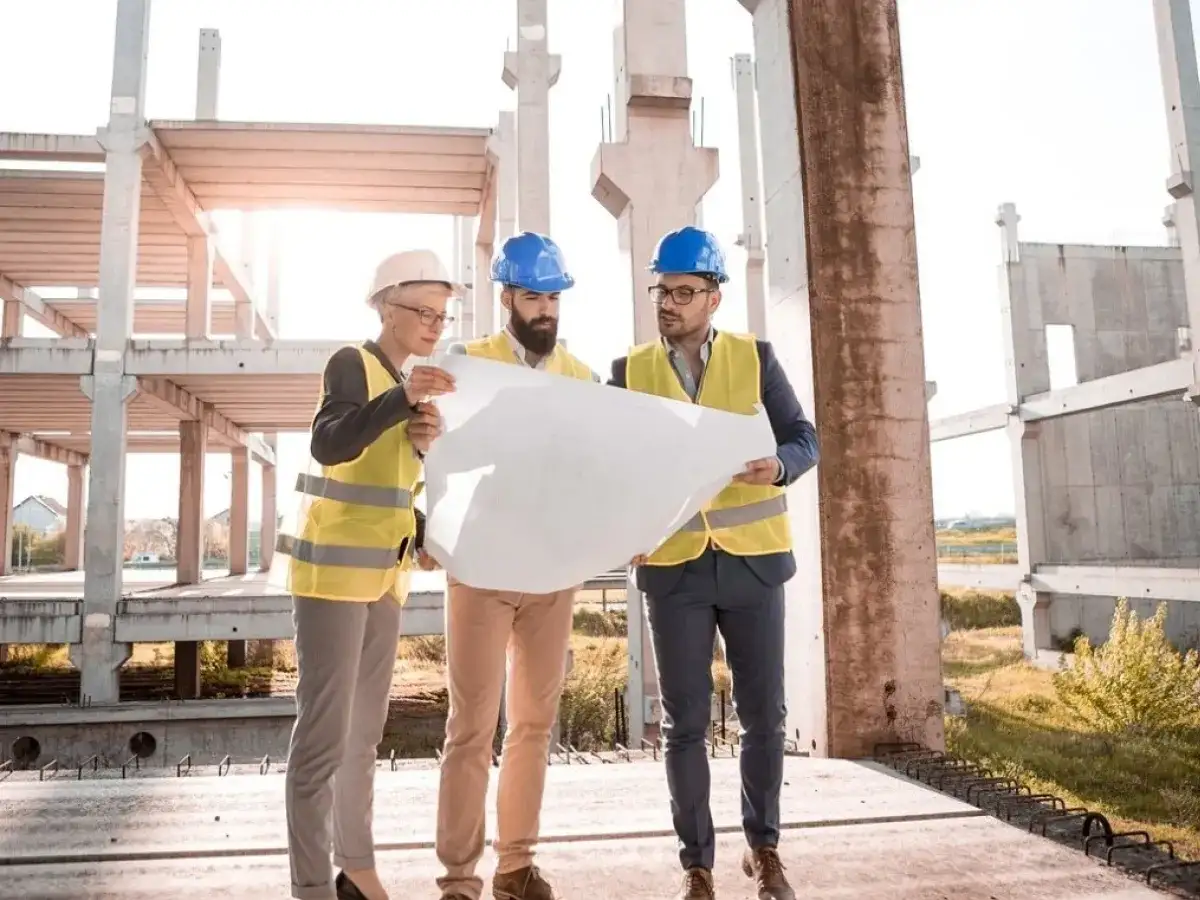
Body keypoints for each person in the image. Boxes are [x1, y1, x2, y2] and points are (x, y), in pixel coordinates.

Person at [608, 226, 819, 900]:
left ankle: (765, 850)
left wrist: (779, 466)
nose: (667, 303)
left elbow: (804, 438)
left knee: (765, 717)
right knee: (686, 724)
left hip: (753, 565)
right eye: (660, 291)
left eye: (682, 291)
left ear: (714, 297)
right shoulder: (628, 371)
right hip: (674, 571)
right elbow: (609, 467)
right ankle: (696, 865)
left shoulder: (755, 359)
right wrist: (623, 527)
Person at [277, 249, 459, 900]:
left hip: (385, 580)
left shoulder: (405, 384)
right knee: (322, 741)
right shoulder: (351, 363)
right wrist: (401, 401)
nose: (436, 323)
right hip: (331, 579)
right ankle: (309, 888)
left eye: (443, 313)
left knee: (362, 738)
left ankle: (355, 870)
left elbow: (389, 486)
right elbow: (330, 442)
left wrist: (425, 517)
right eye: (423, 310)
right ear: (386, 306)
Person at [435, 232, 596, 900]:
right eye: (533, 296)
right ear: (507, 297)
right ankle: (458, 877)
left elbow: (596, 471)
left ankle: (515, 865)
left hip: (552, 572)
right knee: (470, 726)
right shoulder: (466, 364)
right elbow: (434, 453)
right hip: (480, 567)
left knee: (532, 725)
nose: (546, 311)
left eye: (554, 298)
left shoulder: (582, 378)